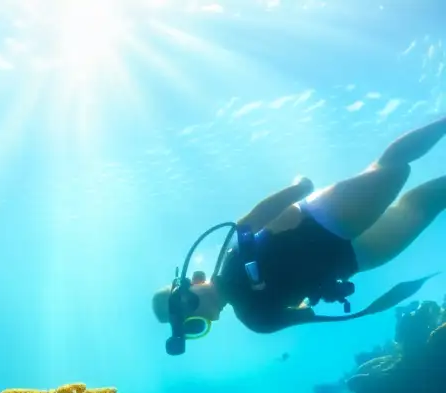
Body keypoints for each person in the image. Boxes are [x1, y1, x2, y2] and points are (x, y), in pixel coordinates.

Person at [154, 115, 446, 354]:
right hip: (354, 258)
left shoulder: (231, 257)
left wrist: (298, 189)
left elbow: (252, 220)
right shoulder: (257, 319)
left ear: (191, 281)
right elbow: (305, 312)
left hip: (325, 220)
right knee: (424, 205)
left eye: (185, 305)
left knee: (392, 170)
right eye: (192, 326)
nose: (197, 316)